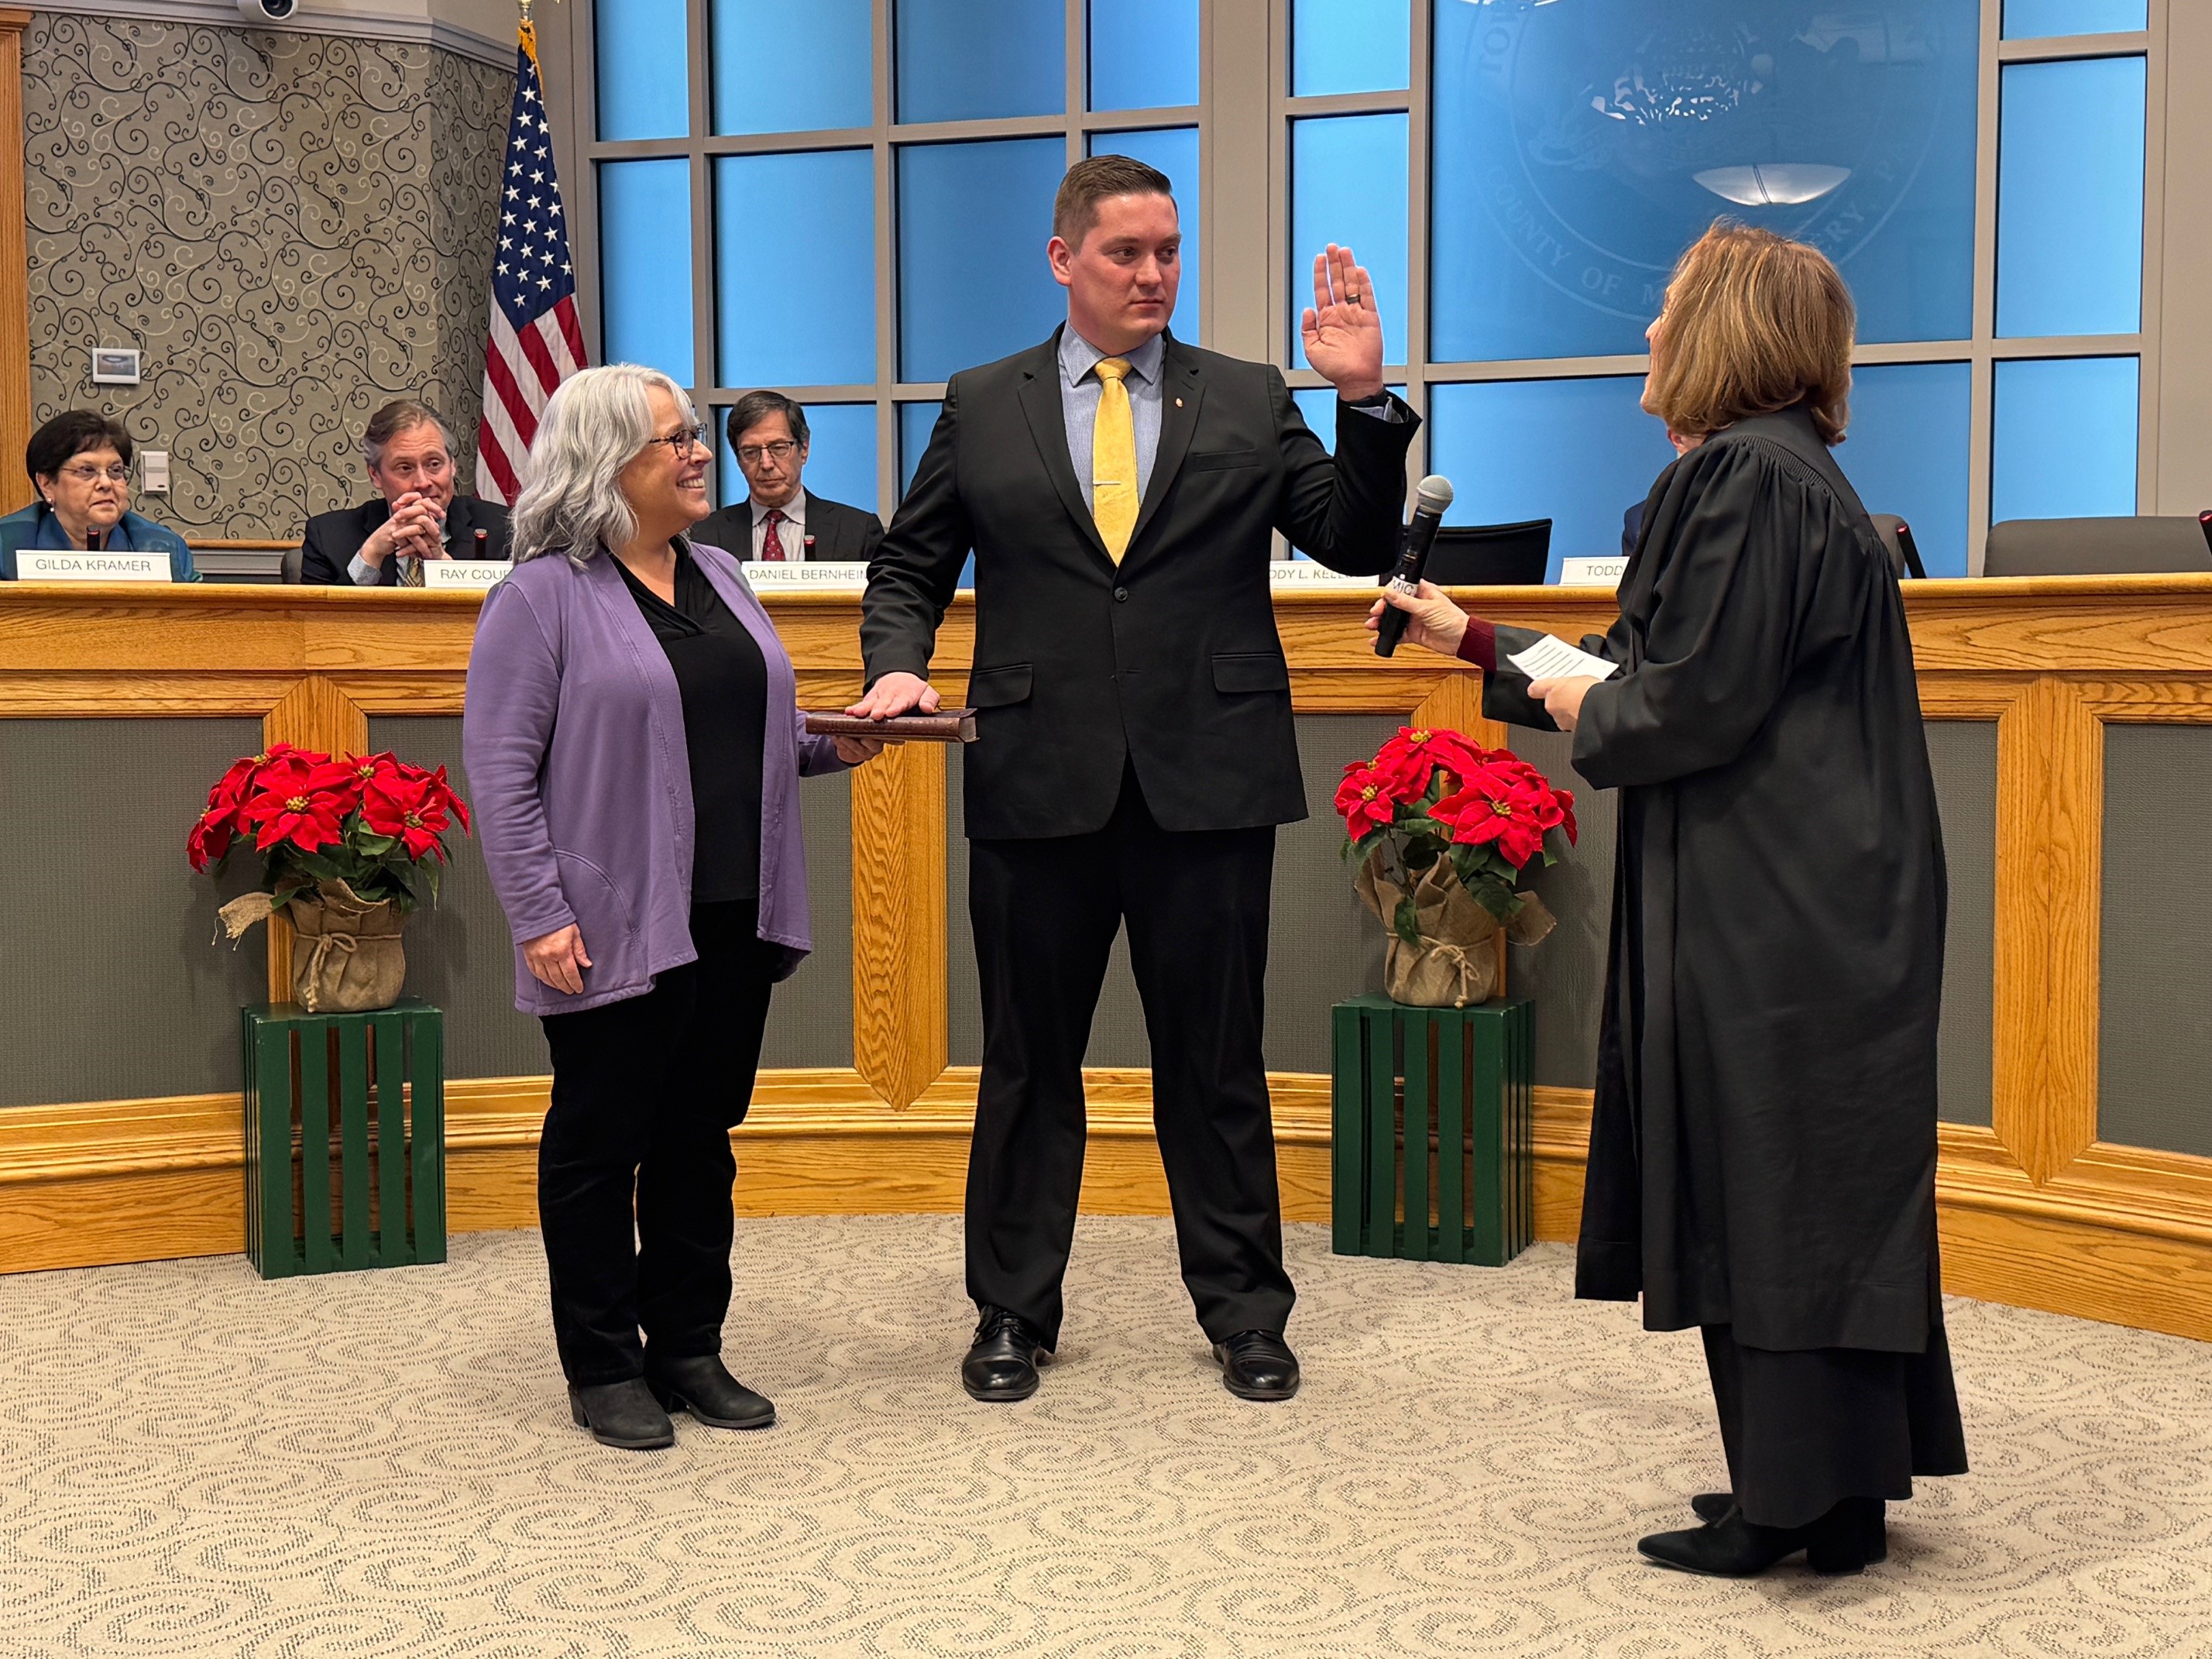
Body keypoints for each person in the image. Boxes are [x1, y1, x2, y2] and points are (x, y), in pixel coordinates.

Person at [1374, 221, 1965, 1575]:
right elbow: (1672, 674)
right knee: (1812, 1176)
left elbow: (1675, 707)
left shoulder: (1745, 481)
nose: (1648, 332)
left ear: (1724, 331)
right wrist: (1468, 637)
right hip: (1815, 888)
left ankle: (1790, 1501)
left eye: (1665, 309)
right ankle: (1825, 1486)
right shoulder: (1793, 474)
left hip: (1774, 905)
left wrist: (1595, 692)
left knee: (1770, 1175)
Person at [852, 155, 1417, 1406]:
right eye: (1127, 253)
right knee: (1025, 1061)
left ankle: (1246, 1315)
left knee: (1213, 1063)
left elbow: (1354, 538)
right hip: (1033, 773)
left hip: (1206, 783)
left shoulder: (1245, 394)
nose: (1155, 272)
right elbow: (908, 565)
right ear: (1064, 260)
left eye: (1169, 249)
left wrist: (1363, 398)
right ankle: (1011, 1309)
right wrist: (895, 666)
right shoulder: (981, 402)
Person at [462, 363, 881, 1451]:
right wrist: (539, 912)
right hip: (609, 920)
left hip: (734, 913)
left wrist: (849, 738)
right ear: (606, 465)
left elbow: (759, 738)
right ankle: (603, 1364)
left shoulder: (723, 573)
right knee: (601, 1144)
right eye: (673, 441)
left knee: (700, 1136)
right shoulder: (539, 596)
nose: (701, 453)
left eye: (696, 435)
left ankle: (689, 1347)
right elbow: (501, 775)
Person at [300, 399, 512, 586]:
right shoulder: (327, 537)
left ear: (452, 466)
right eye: (405, 468)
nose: (422, 482)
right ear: (375, 475)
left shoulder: (504, 530)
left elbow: (512, 621)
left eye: (434, 464)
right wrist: (371, 555)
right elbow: (315, 626)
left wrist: (444, 569)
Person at [689, 391, 884, 564]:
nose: (766, 464)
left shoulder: (857, 532)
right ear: (738, 459)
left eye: (779, 448)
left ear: (804, 449)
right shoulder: (703, 536)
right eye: (751, 452)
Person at [0, 410, 194, 579]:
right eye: (87, 470)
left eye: (115, 470)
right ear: (47, 484)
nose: (106, 483)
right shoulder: (6, 546)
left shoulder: (166, 548)